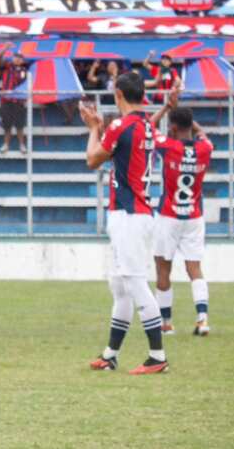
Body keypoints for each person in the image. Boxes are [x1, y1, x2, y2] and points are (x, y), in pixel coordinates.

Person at [80, 72, 169, 375]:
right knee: (119, 285)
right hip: (137, 211)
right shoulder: (146, 124)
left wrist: (94, 129)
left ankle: (157, 356)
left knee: (133, 282)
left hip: (129, 214)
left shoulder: (122, 125)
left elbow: (92, 159)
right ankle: (110, 354)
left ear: (118, 93)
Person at [149, 89, 213, 337]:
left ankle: (166, 323)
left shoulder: (168, 145)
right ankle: (202, 319)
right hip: (194, 216)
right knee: (194, 267)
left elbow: (148, 128)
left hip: (168, 216)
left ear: (173, 128)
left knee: (162, 267)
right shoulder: (205, 148)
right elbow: (202, 134)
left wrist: (167, 107)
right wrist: (186, 116)